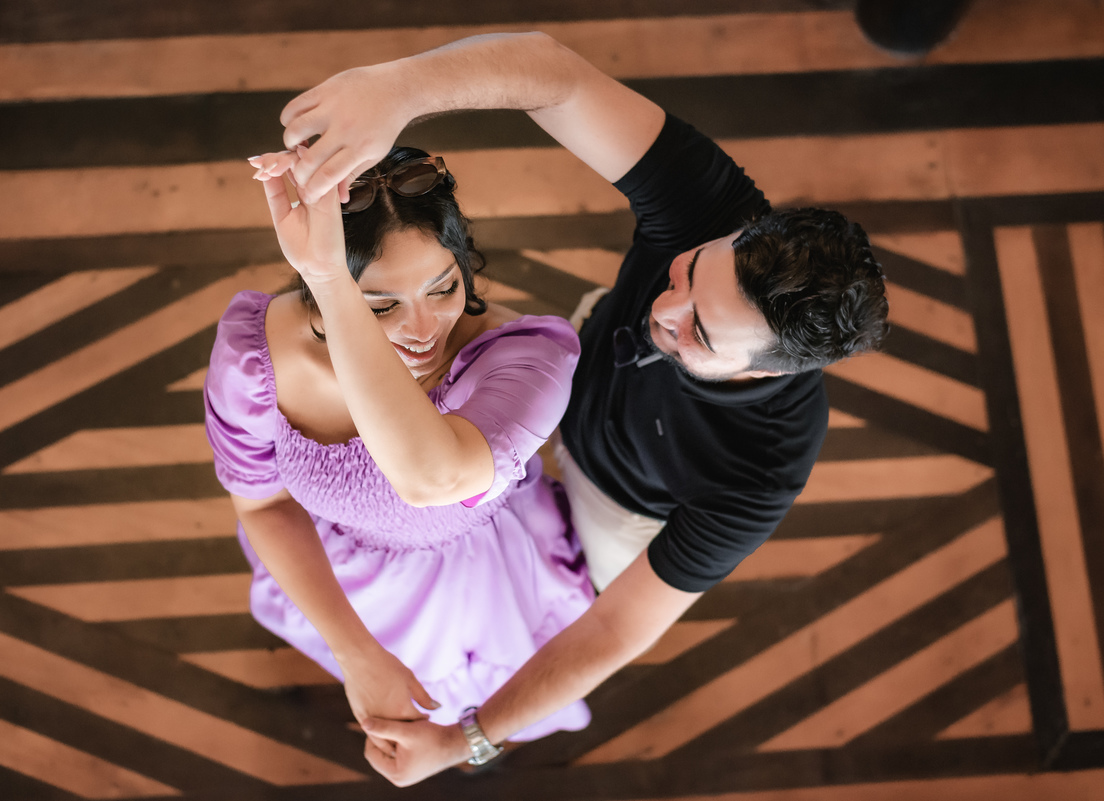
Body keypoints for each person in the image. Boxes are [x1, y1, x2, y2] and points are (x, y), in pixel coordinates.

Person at [272, 32, 890, 784]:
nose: (665, 307)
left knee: (528, 628)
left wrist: (468, 738)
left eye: (697, 330)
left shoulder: (762, 467)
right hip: (567, 394)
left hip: (616, 510)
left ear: (767, 371)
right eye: (690, 271)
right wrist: (400, 89)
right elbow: (554, 75)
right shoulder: (714, 208)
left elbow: (617, 626)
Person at [203, 144, 596, 751]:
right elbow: (261, 506)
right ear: (319, 282)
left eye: (444, 288)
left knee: (494, 705)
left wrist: (343, 288)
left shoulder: (527, 358)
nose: (422, 330)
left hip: (477, 576)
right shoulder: (256, 360)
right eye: (381, 305)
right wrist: (356, 652)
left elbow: (434, 479)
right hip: (341, 571)